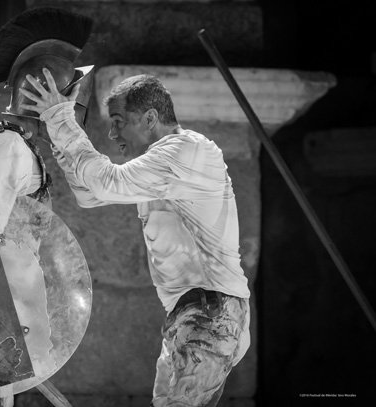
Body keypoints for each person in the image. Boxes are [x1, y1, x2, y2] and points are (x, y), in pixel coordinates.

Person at [20, 71, 251, 407]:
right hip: (191, 313)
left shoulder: (186, 151)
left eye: (118, 121)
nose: (112, 134)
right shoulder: (159, 167)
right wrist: (60, 136)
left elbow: (105, 182)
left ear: (150, 118)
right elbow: (89, 194)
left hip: (211, 312)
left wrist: (61, 119)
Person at [0, 7, 93, 407]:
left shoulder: (19, 147)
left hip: (7, 315)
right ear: (39, 95)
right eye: (65, 96)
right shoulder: (6, 146)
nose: (72, 106)